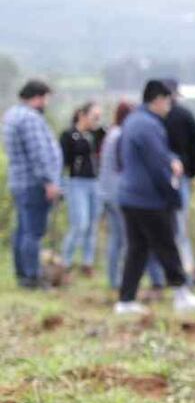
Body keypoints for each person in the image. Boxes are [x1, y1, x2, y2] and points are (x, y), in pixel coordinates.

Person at [115, 80, 195, 314]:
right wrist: (172, 194)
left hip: (130, 195)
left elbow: (158, 156)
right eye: (168, 100)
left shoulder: (133, 120)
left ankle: (126, 300)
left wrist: (170, 158)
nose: (170, 105)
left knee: (137, 249)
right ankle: (181, 295)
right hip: (148, 198)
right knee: (166, 245)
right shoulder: (148, 126)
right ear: (158, 99)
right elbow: (158, 164)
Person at [99, 101, 168, 292]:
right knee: (138, 241)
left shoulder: (111, 134)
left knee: (118, 240)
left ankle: (114, 280)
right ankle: (154, 281)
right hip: (121, 194)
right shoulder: (122, 135)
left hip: (107, 192)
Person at [2, 80, 62, 289]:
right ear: (38, 97)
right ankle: (32, 276)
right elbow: (38, 153)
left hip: (19, 181)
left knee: (22, 230)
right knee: (33, 232)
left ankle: (22, 273)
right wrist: (49, 181)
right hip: (33, 182)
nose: (46, 103)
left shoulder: (12, 115)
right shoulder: (30, 119)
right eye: (46, 98)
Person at [59, 102, 104, 276]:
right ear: (82, 115)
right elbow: (62, 161)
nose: (96, 120)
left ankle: (87, 262)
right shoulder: (69, 135)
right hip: (76, 182)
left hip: (95, 182)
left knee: (92, 224)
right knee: (80, 223)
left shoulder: (97, 134)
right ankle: (66, 262)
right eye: (94, 116)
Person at [163, 79, 195, 274]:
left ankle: (172, 272)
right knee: (180, 229)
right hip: (182, 177)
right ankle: (185, 271)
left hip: (160, 179)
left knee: (165, 227)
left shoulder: (156, 117)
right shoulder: (186, 115)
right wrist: (192, 172)